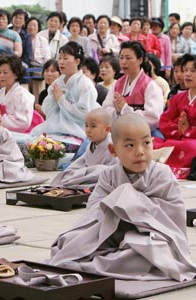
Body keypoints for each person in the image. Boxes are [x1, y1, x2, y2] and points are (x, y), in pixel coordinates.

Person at [48, 113, 196, 281]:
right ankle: (106, 259)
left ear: (153, 144)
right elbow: (94, 209)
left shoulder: (162, 174)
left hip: (152, 236)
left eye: (146, 143)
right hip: (111, 233)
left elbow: (173, 216)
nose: (140, 152)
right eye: (130, 145)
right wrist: (117, 209)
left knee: (149, 251)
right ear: (113, 150)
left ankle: (104, 262)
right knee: (67, 242)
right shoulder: (108, 174)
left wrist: (128, 201)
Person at [27, 42, 99, 148]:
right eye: (59, 58)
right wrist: (54, 99)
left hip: (76, 130)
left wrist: (61, 100)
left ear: (77, 61)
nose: (61, 62)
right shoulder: (57, 83)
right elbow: (47, 110)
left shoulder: (85, 85)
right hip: (53, 128)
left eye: (65, 58)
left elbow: (85, 115)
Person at [103, 41, 164, 136]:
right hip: (119, 130)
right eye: (121, 57)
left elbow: (153, 118)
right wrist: (118, 112)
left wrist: (125, 109)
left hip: (143, 134)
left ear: (140, 60)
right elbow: (106, 108)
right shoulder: (117, 84)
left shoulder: (151, 86)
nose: (123, 62)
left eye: (128, 58)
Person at [50, 108, 117, 189]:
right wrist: (81, 172)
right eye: (86, 125)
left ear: (107, 129)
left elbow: (115, 172)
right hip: (91, 177)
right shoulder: (90, 145)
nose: (88, 130)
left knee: (101, 171)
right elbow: (79, 163)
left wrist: (91, 171)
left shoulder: (113, 146)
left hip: (105, 180)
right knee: (66, 175)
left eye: (93, 126)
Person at [154, 54, 196, 179]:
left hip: (192, 141)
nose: (187, 74)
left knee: (192, 147)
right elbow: (164, 121)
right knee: (154, 142)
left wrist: (188, 131)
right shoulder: (178, 98)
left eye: (193, 71)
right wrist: (179, 129)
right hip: (178, 138)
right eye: (185, 70)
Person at [0, 55, 36, 133]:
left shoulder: (22, 94)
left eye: (5, 72)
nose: (1, 76)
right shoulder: (0, 92)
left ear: (16, 74)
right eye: (0, 72)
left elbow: (24, 122)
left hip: (17, 134)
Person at [26, 17, 51, 100]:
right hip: (26, 70)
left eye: (34, 25)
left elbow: (47, 57)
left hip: (39, 69)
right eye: (30, 25)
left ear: (38, 28)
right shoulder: (23, 39)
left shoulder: (42, 40)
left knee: (38, 94)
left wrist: (45, 70)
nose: (32, 27)